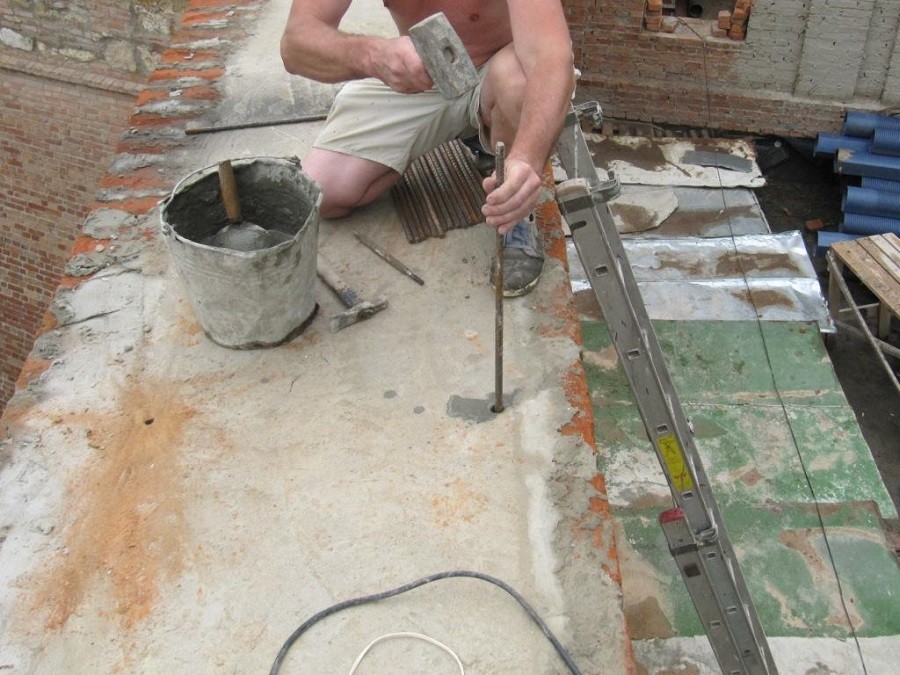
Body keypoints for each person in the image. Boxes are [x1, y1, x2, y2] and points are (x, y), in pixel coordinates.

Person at [280, 0, 574, 296]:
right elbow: (296, 43)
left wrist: (527, 158)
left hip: (499, 71)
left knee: (519, 83)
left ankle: (516, 211)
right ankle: (460, 134)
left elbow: (549, 56)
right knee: (326, 194)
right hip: (422, 75)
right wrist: (373, 55)